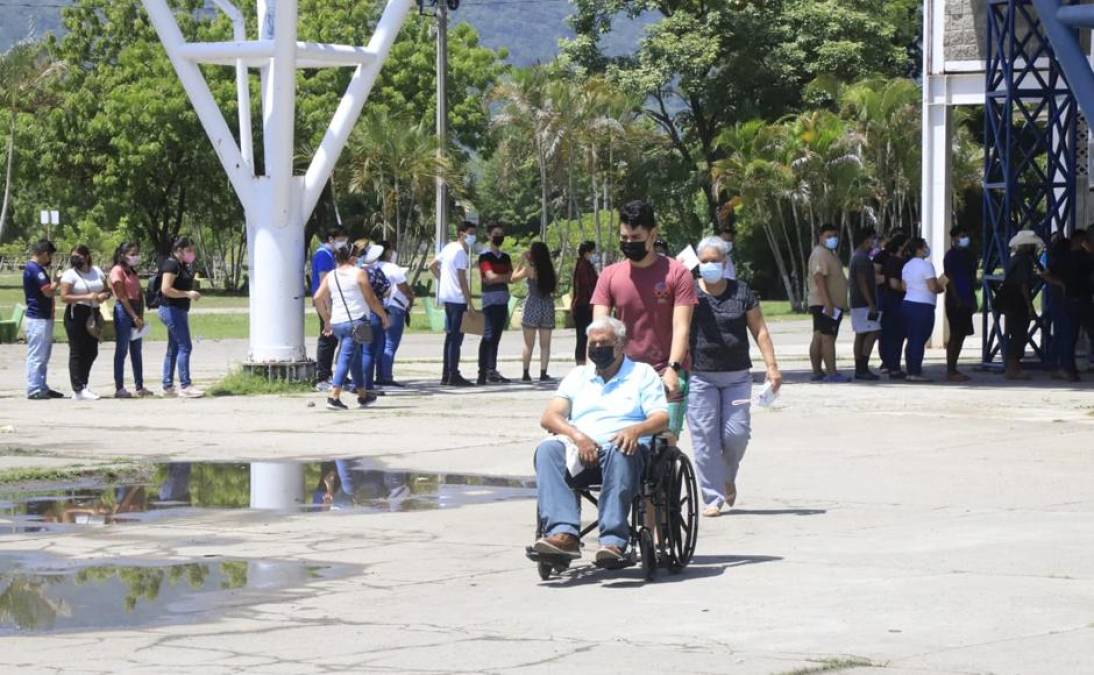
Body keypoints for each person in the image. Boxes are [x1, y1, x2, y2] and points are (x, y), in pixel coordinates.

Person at [531, 316, 669, 564]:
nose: (596, 349)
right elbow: (550, 416)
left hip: (626, 451)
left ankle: (614, 541)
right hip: (582, 451)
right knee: (547, 449)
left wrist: (636, 430)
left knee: (620, 447)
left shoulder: (642, 374)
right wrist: (577, 436)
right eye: (592, 343)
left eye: (603, 343)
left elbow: (661, 418)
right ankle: (564, 534)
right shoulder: (578, 376)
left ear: (620, 344)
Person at [687, 237, 782, 516]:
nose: (709, 266)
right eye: (704, 261)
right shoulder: (690, 292)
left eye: (715, 260)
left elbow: (760, 330)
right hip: (700, 377)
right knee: (704, 437)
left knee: (736, 434)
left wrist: (772, 366)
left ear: (725, 262)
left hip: (737, 378)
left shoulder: (741, 292)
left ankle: (727, 476)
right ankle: (712, 497)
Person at [592, 200, 697, 420]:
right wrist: (594, 371)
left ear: (652, 234)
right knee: (622, 442)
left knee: (663, 443)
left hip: (665, 370)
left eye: (636, 238)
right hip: (622, 372)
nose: (629, 243)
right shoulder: (609, 276)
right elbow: (598, 330)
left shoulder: (678, 274)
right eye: (624, 238)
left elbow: (681, 328)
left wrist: (673, 369)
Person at [313, 243, 390, 410]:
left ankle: (363, 394)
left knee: (354, 356)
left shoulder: (331, 275)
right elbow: (371, 299)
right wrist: (383, 316)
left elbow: (318, 297)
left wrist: (326, 318)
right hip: (358, 321)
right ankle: (334, 395)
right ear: (351, 256)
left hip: (338, 322)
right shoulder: (359, 273)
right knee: (346, 357)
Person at [60, 245, 110, 400]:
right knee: (77, 351)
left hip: (93, 313)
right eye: (73, 256)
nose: (76, 259)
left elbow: (107, 290)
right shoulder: (70, 274)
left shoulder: (97, 271)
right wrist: (86, 297)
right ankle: (78, 388)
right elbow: (64, 296)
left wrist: (104, 296)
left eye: (79, 256)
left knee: (91, 350)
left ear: (87, 256)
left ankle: (83, 384)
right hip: (77, 313)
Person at [430, 221, 477, 386]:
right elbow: (463, 281)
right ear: (461, 233)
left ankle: (446, 374)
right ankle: (453, 374)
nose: (472, 237)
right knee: (456, 338)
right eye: (470, 233)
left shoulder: (448, 248)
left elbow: (432, 265)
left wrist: (443, 281)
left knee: (450, 337)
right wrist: (471, 304)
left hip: (447, 298)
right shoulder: (460, 253)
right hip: (458, 299)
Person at [158, 236, 204, 398]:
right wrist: (188, 294)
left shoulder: (182, 265)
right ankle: (185, 385)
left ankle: (168, 385)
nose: (192, 253)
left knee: (174, 347)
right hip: (171, 310)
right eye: (188, 250)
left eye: (192, 250)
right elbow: (166, 289)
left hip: (178, 310)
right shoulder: (172, 264)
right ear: (179, 250)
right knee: (185, 346)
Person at [1047, 230, 1094, 381]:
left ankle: (1065, 368)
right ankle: (1066, 368)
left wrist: (1060, 284)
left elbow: (1048, 273)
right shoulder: (1083, 258)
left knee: (1068, 335)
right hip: (1080, 299)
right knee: (1073, 334)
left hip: (1069, 299)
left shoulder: (1062, 258)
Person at [997, 230, 1044, 380]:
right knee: (1019, 334)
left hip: (1010, 301)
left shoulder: (1014, 259)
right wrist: (1030, 306)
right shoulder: (1025, 261)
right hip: (1017, 302)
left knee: (1014, 333)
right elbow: (1023, 284)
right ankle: (1013, 368)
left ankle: (1012, 367)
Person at [109, 242, 153, 398]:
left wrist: (140, 316)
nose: (135, 257)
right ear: (123, 255)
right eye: (132, 254)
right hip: (124, 311)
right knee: (122, 350)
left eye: (136, 253)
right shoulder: (117, 271)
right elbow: (122, 296)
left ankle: (139, 386)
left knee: (137, 350)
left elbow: (138, 293)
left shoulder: (132, 272)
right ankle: (119, 387)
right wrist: (133, 316)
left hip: (136, 310)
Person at [807, 224, 850, 382]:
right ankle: (831, 372)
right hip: (824, 303)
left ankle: (818, 371)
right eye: (829, 236)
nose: (833, 239)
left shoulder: (830, 253)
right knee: (827, 337)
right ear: (820, 237)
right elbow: (819, 278)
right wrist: (828, 303)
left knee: (819, 336)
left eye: (835, 236)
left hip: (829, 303)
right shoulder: (820, 254)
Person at [900, 237, 947, 382]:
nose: (927, 248)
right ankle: (914, 371)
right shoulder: (926, 266)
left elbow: (904, 287)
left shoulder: (907, 266)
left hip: (908, 303)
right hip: (922, 306)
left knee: (912, 338)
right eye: (925, 246)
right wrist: (942, 285)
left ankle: (911, 369)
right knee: (919, 339)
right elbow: (933, 287)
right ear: (919, 249)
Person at [22, 239, 64, 400]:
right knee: (37, 355)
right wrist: (57, 282)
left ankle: (42, 386)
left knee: (44, 356)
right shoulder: (35, 269)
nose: (50, 259)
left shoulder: (37, 268)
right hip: (38, 318)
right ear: (45, 253)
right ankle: (34, 388)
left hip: (44, 317)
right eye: (50, 255)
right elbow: (47, 291)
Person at [310, 227, 348, 391]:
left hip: (329, 301)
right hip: (326, 302)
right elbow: (324, 283)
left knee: (332, 340)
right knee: (327, 338)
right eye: (341, 239)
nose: (343, 243)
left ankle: (330, 374)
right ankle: (323, 377)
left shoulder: (328, 254)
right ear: (331, 239)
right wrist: (328, 311)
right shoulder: (324, 255)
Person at [476, 224, 514, 384]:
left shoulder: (505, 257)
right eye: (496, 234)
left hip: (503, 300)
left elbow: (511, 276)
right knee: (488, 336)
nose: (499, 237)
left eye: (501, 234)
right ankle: (482, 371)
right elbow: (489, 277)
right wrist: (501, 276)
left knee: (497, 336)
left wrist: (497, 277)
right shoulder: (485, 257)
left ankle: (492, 369)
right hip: (489, 302)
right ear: (489, 235)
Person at [516, 241, 558, 382]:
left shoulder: (530, 270)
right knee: (545, 344)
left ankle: (526, 373)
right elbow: (554, 288)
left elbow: (513, 278)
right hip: (547, 304)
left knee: (528, 344)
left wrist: (522, 261)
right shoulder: (550, 270)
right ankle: (543, 372)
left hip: (532, 304)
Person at [376, 241, 414, 387]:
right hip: (394, 307)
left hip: (378, 308)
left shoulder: (372, 267)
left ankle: (379, 374)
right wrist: (411, 298)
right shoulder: (393, 268)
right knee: (390, 344)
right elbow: (403, 287)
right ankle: (386, 376)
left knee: (380, 344)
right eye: (392, 250)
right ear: (387, 252)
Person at [355, 240, 389, 398]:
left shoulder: (354, 271)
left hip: (359, 314)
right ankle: (367, 385)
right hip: (374, 314)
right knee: (370, 352)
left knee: (359, 351)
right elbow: (386, 288)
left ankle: (358, 384)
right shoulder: (374, 272)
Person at [943, 226, 977, 382]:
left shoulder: (969, 255)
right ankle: (950, 370)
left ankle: (954, 367)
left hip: (968, 298)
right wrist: (957, 299)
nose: (965, 238)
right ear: (954, 238)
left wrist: (972, 300)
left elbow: (972, 279)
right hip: (955, 301)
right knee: (955, 335)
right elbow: (949, 279)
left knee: (962, 334)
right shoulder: (950, 256)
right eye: (962, 235)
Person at [848, 227, 881, 381]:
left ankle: (860, 367)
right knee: (872, 332)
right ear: (865, 239)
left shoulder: (857, 256)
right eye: (873, 238)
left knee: (861, 335)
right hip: (863, 304)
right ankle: (863, 366)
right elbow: (862, 282)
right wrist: (871, 303)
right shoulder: (861, 258)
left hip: (858, 303)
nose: (874, 241)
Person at [877, 232, 909, 378]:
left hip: (891, 302)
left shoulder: (895, 261)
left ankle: (891, 365)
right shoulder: (896, 262)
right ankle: (893, 367)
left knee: (891, 336)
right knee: (895, 336)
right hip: (894, 303)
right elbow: (894, 284)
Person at [571, 241, 599, 366]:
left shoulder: (584, 264)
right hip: (584, 305)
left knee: (583, 336)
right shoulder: (584, 266)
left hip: (583, 304)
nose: (594, 254)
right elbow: (587, 286)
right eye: (593, 252)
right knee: (583, 336)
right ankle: (581, 362)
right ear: (587, 252)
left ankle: (582, 361)